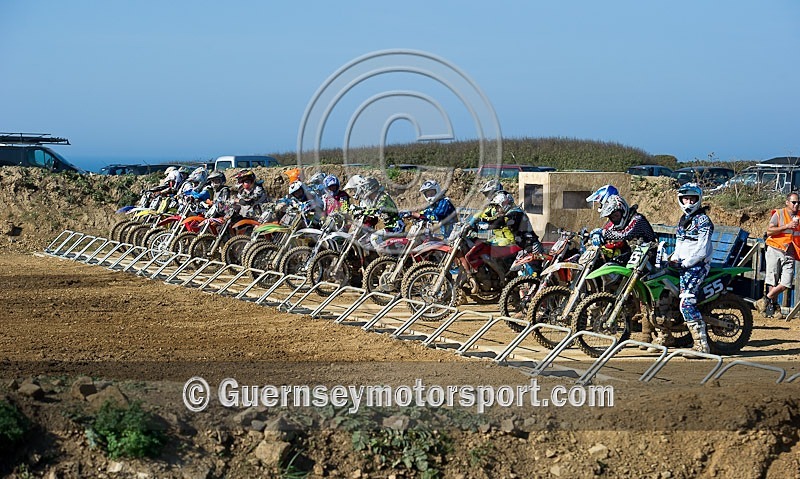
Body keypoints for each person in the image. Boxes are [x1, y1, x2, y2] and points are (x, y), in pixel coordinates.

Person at [667, 183, 715, 354]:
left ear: (698, 199)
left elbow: (702, 248)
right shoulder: (683, 219)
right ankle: (665, 335)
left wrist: (686, 263)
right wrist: (673, 258)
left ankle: (701, 345)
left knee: (686, 302)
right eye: (685, 199)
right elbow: (680, 243)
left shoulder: (703, 221)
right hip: (682, 263)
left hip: (698, 265)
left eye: (692, 199)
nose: (688, 202)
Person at [757, 192, 800, 319]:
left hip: (790, 250)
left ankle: (764, 300)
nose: (796, 205)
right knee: (772, 280)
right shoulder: (779, 214)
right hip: (775, 248)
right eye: (794, 202)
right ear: (787, 202)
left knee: (786, 282)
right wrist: (786, 226)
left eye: (798, 202)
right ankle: (773, 308)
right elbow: (769, 231)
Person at [358, 177, 405, 250]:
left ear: (371, 186)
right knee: (366, 240)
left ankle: (389, 256)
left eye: (365, 187)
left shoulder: (383, 197)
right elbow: (370, 209)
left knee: (375, 237)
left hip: (396, 226)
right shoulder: (376, 199)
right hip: (390, 226)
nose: (364, 190)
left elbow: (377, 209)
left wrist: (362, 211)